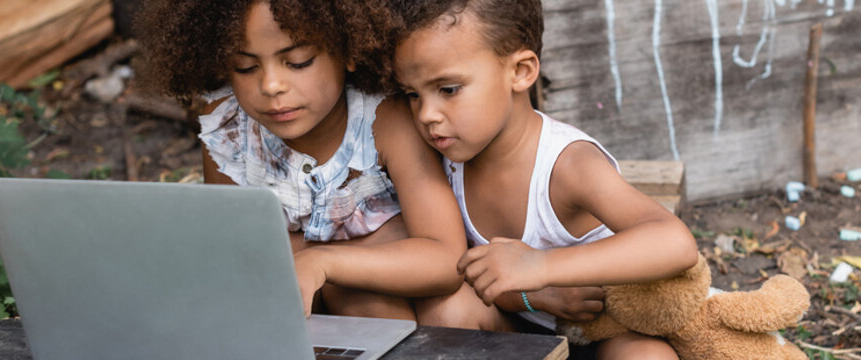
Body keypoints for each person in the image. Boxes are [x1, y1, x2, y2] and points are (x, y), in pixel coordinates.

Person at [389, 0, 699, 357]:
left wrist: (542, 267)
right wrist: (531, 294)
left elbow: (674, 242)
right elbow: (468, 275)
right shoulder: (443, 164)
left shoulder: (567, 164)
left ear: (521, 71)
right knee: (445, 309)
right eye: (412, 94)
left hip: (608, 333)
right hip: (523, 333)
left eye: (448, 89)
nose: (427, 114)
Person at [135, 0, 466, 321]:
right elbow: (231, 257)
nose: (271, 86)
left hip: (381, 299)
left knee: (363, 302)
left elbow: (445, 259)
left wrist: (322, 261)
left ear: (347, 51)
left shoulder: (385, 121)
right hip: (285, 313)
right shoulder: (229, 130)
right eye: (245, 67)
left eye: (298, 61)